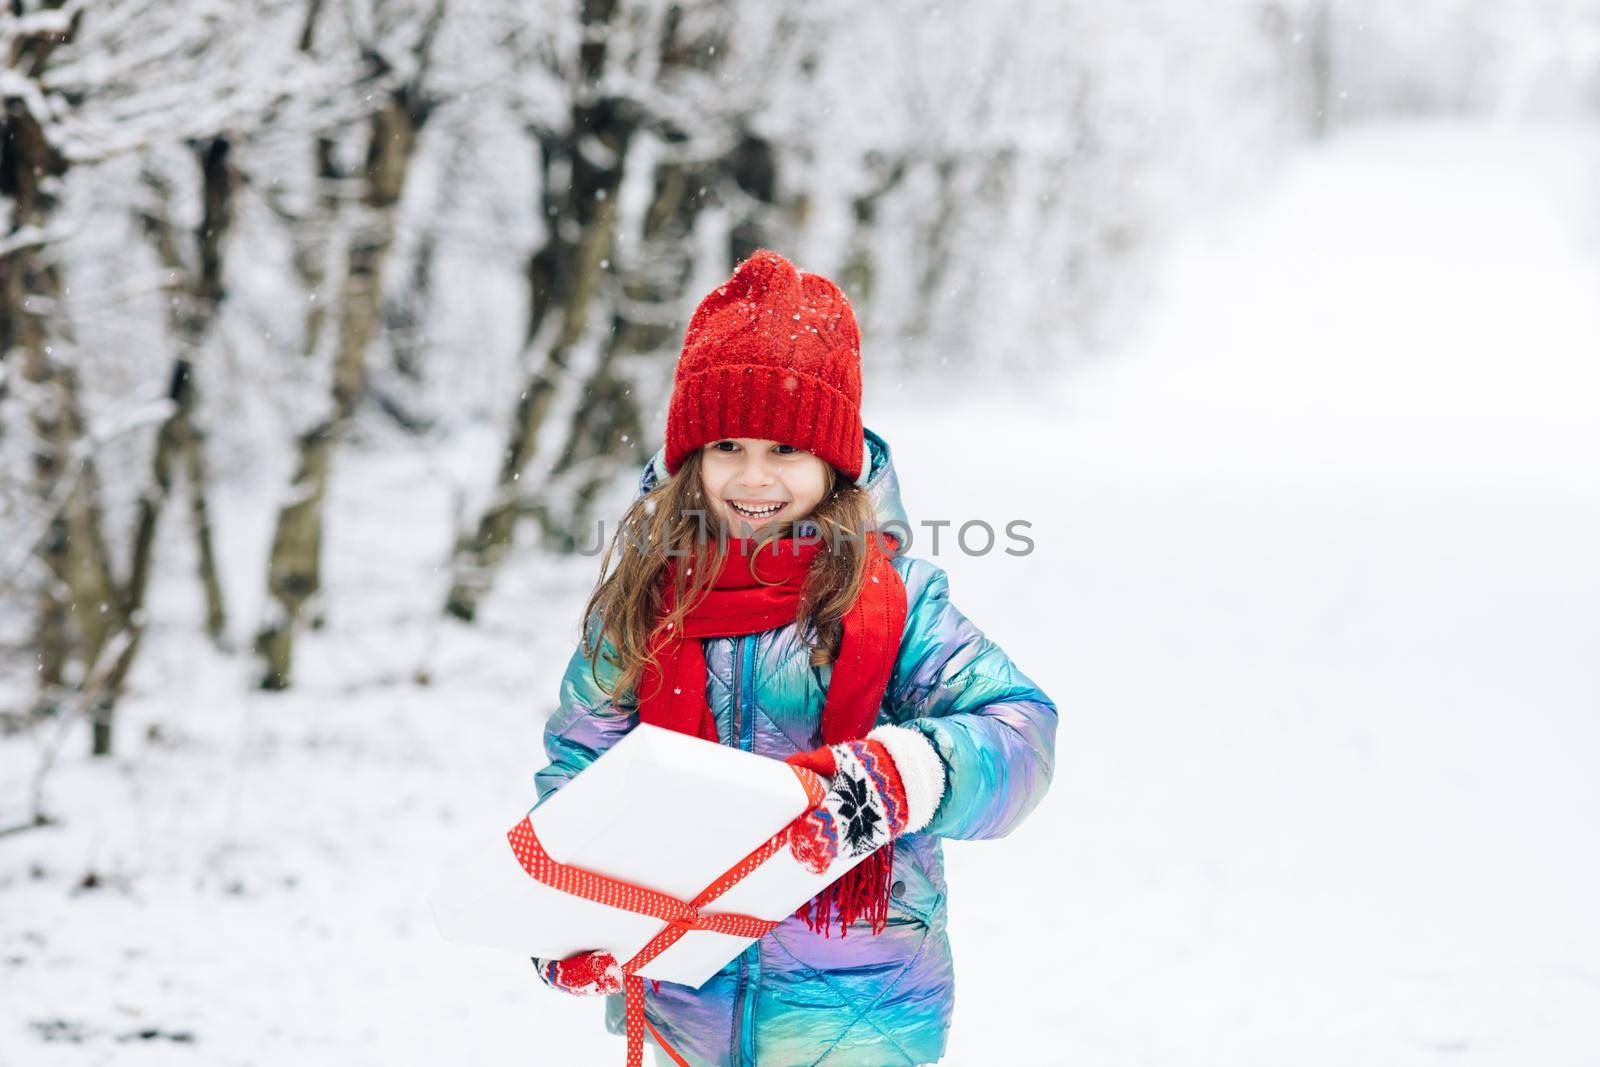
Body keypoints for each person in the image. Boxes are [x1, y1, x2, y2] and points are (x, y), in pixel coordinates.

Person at [527, 249, 1058, 1066]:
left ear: (833, 465)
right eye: (727, 445)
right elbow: (581, 770)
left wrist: (901, 774)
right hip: (681, 1010)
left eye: (785, 449)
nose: (752, 477)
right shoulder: (644, 602)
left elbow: (1021, 736)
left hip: (863, 1022)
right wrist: (570, 916)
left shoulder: (897, 602)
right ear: (688, 458)